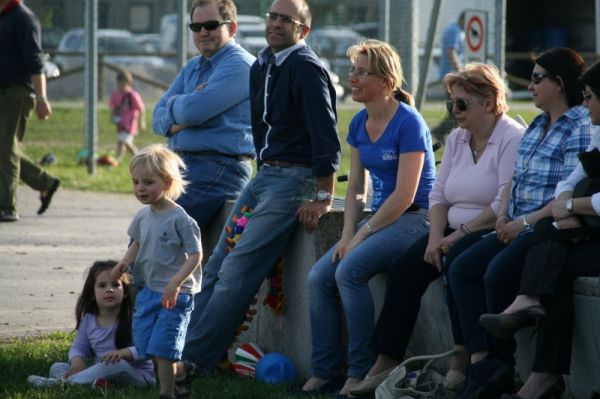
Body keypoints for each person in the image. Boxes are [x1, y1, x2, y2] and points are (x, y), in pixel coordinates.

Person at [172, 0, 341, 395]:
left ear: (304, 30)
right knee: (215, 266)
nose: (276, 24)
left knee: (236, 273)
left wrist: (322, 195)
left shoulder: (306, 67)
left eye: (287, 19)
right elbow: (259, 129)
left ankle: (190, 362)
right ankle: (176, 349)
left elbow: (326, 137)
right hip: (265, 175)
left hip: (294, 180)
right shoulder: (263, 63)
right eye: (272, 16)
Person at [347, 63, 525, 397]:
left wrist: (455, 236)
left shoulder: (510, 138)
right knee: (404, 268)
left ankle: (463, 357)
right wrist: (434, 237)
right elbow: (438, 195)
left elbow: (504, 201)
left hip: (488, 227)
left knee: (457, 261)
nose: (454, 111)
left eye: (462, 104)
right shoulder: (458, 138)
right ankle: (386, 359)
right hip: (446, 227)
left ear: (489, 103)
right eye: (451, 104)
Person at [448, 47, 591, 399]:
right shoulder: (537, 123)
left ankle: (502, 365)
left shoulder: (580, 127)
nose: (530, 85)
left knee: (496, 274)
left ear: (559, 83)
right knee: (461, 266)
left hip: (542, 227)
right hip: (513, 222)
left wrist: (522, 222)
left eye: (537, 78)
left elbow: (566, 195)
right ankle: (484, 362)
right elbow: (515, 178)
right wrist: (501, 215)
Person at [302, 39, 436, 397]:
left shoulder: (409, 122)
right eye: (353, 71)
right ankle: (324, 371)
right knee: (319, 277)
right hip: (381, 217)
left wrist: (360, 238)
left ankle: (359, 373)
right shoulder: (359, 123)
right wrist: (348, 234)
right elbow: (357, 190)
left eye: (362, 72)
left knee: (349, 271)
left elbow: (407, 196)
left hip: (417, 217)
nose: (353, 78)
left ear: (386, 80)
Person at [152, 0, 256, 234]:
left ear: (232, 28)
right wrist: (188, 105)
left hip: (220, 167)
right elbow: (156, 120)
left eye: (211, 25)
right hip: (183, 165)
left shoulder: (241, 66)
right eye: (196, 27)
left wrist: (183, 108)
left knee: (164, 230)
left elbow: (192, 112)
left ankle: (131, 273)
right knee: (147, 229)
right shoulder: (193, 67)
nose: (203, 32)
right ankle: (130, 272)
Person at [111, 144, 202, 399]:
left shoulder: (181, 219)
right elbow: (137, 242)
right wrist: (124, 263)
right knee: (146, 345)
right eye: (136, 182)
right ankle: (180, 371)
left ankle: (166, 393)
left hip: (176, 294)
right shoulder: (142, 216)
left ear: (167, 182)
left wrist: (176, 282)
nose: (140, 188)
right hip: (149, 291)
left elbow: (196, 255)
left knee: (163, 348)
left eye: (148, 182)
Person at [26, 260, 155, 388]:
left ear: (125, 292)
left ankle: (60, 384)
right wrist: (77, 363)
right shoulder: (89, 319)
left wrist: (124, 353)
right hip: (103, 370)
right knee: (57, 367)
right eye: (102, 285)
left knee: (115, 364)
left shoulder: (135, 317)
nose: (109, 289)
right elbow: (79, 348)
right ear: (92, 294)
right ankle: (99, 384)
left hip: (138, 376)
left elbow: (147, 349)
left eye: (115, 285)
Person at [0, 0, 60, 222]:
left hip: (16, 92)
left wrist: (41, 97)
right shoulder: (4, 17)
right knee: (6, 149)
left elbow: (36, 61)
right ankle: (44, 182)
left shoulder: (24, 18)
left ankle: (7, 206)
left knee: (6, 149)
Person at [431, 11, 465, 143]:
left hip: (452, 76)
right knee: (456, 110)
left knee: (455, 110)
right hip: (451, 77)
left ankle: (444, 133)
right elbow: (451, 51)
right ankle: (444, 133)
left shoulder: (457, 30)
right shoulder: (454, 30)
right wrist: (461, 70)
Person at [109, 69, 146, 162]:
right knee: (121, 142)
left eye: (122, 84)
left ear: (128, 83)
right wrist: (112, 116)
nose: (120, 87)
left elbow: (141, 109)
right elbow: (112, 107)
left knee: (125, 141)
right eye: (118, 84)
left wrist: (142, 122)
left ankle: (138, 157)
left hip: (130, 123)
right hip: (120, 123)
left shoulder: (133, 95)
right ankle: (118, 159)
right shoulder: (115, 94)